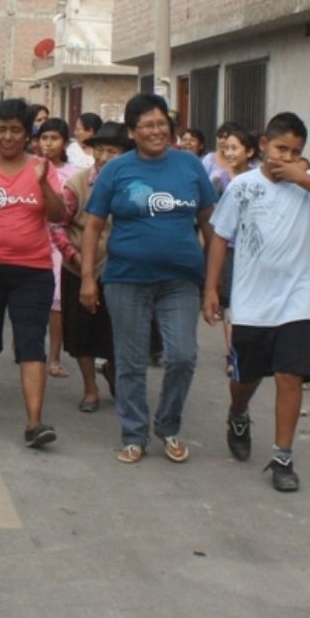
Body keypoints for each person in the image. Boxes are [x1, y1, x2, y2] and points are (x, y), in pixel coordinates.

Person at [202, 112, 310, 494]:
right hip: (252, 303)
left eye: (295, 152)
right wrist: (211, 290)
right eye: (280, 148)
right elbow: (220, 236)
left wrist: (304, 177)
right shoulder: (243, 186)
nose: (286, 157)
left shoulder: (308, 187)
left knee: (290, 377)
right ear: (264, 147)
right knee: (246, 379)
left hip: (297, 302)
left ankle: (282, 456)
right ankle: (238, 413)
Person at [81, 93, 215, 465]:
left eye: (162, 124)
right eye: (147, 125)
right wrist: (88, 278)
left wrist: (213, 285)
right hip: (126, 278)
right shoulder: (116, 170)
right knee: (130, 361)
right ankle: (134, 433)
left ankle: (168, 425)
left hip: (181, 280)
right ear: (132, 132)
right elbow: (92, 226)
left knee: (183, 355)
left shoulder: (190, 166)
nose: (156, 131)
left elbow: (210, 224)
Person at [0, 98, 70, 449]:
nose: (8, 137)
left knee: (30, 343)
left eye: (16, 130)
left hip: (32, 271)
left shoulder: (41, 166)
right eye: (2, 129)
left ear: (27, 134)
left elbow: (56, 215)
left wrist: (45, 185)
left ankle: (34, 422)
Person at [55, 120, 129, 412]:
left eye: (112, 150)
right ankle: (89, 388)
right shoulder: (76, 185)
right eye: (99, 150)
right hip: (79, 268)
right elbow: (57, 226)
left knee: (119, 331)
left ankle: (114, 371)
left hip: (122, 272)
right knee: (80, 332)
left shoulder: (132, 185)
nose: (104, 157)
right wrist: (75, 257)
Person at [35, 117, 74, 380]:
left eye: (54, 138)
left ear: (64, 142)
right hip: (33, 240)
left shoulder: (74, 173)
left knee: (57, 304)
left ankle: (54, 356)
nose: (49, 144)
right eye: (44, 138)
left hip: (60, 242)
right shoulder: (28, 167)